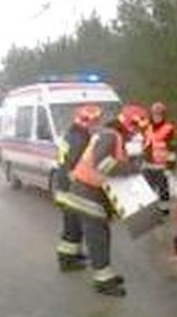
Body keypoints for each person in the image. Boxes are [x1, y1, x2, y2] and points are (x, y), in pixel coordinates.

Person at [63, 104, 149, 297]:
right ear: (129, 123)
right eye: (136, 127)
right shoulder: (111, 136)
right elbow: (103, 165)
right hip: (87, 193)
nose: (136, 132)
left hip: (86, 191)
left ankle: (105, 274)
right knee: (98, 237)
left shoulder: (110, 135)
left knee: (100, 235)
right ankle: (103, 281)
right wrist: (132, 168)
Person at [53, 104, 103, 271]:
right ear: (85, 120)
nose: (96, 124)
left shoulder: (73, 133)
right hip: (71, 185)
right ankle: (67, 261)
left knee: (72, 222)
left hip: (65, 184)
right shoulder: (80, 139)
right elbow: (77, 164)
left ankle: (71, 254)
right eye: (94, 121)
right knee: (73, 224)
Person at [143, 101, 177, 214]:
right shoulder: (147, 127)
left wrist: (170, 167)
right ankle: (149, 210)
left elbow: (173, 148)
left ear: (163, 115)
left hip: (162, 165)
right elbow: (144, 144)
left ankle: (164, 209)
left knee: (163, 189)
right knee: (147, 189)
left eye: (159, 114)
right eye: (154, 114)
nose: (156, 116)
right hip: (148, 164)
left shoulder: (169, 128)